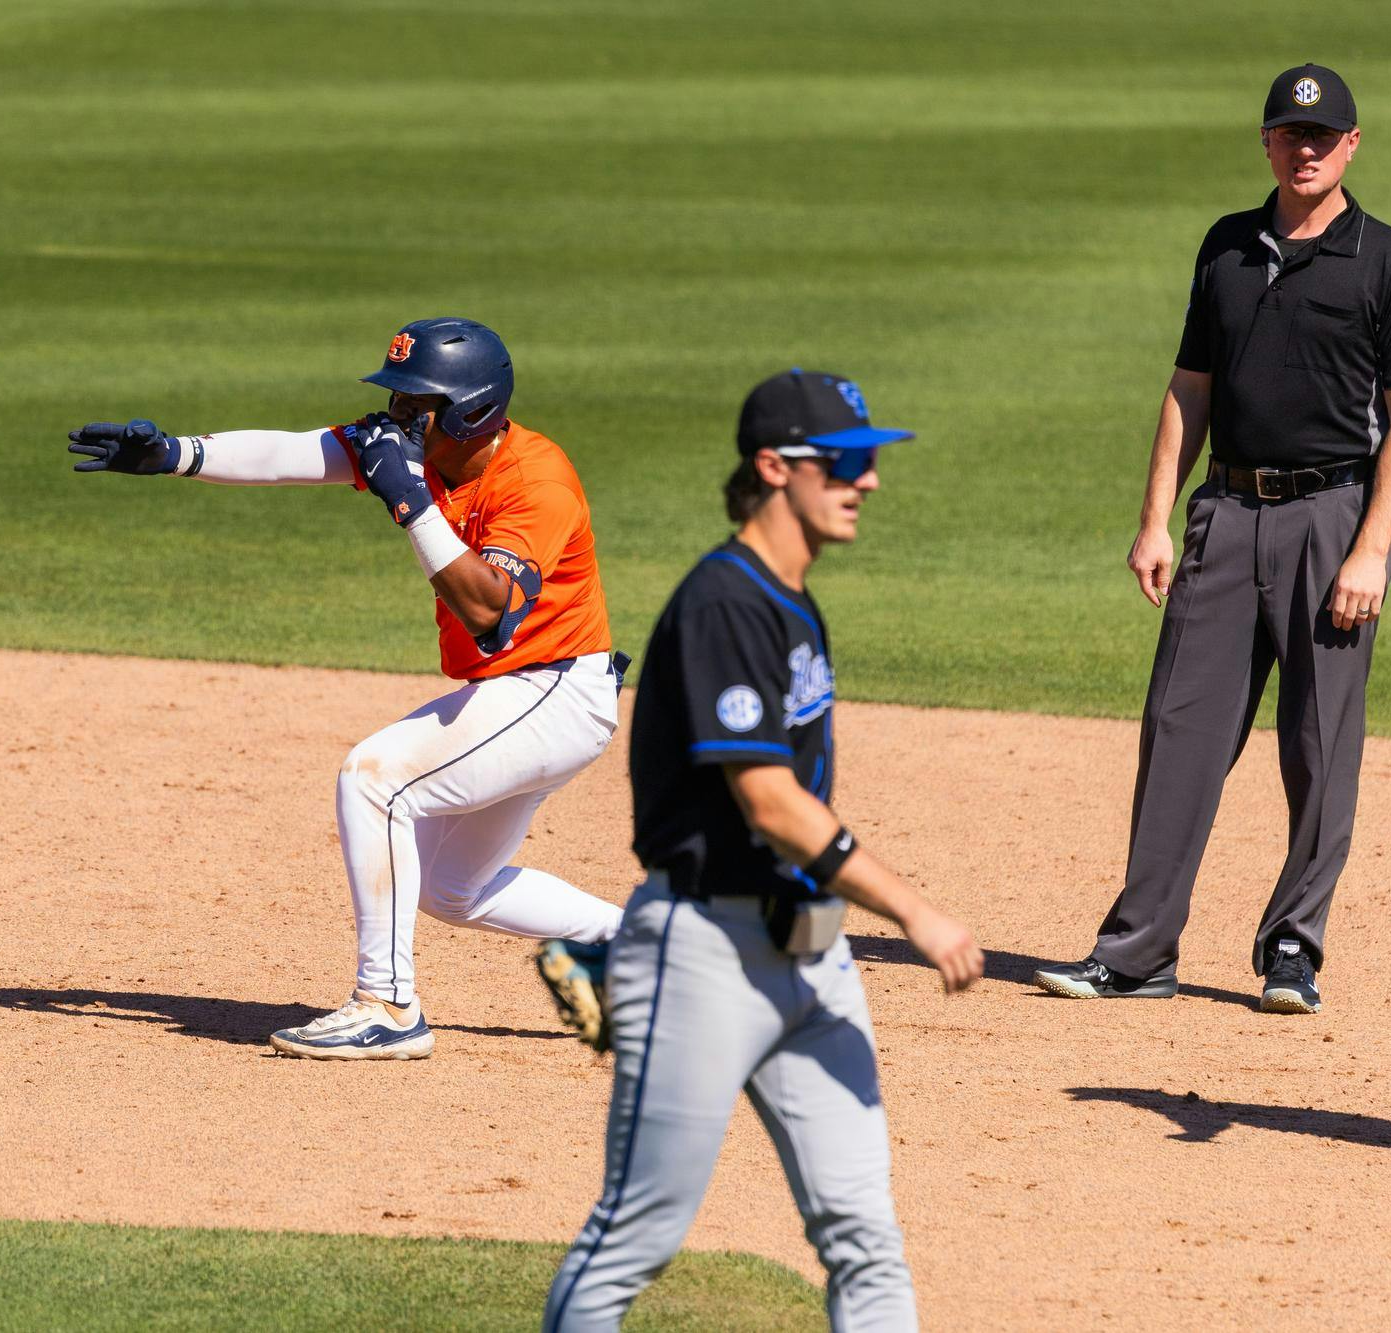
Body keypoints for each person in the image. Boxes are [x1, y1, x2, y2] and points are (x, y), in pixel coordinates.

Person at [537, 369, 983, 1332]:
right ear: (774, 467)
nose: (868, 482)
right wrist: (913, 910)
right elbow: (771, 802)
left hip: (816, 961)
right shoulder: (723, 604)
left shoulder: (790, 599)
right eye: (847, 463)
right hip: (706, 955)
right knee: (635, 1238)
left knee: (866, 1231)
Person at [65, 318, 628, 1059]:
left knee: (376, 779)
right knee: (454, 886)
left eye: (415, 404)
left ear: (471, 410)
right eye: (395, 400)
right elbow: (291, 453)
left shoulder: (536, 481)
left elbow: (489, 609)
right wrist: (177, 453)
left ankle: (388, 1005)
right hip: (516, 691)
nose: (397, 418)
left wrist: (409, 501)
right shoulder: (417, 451)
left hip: (557, 692)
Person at [1035, 64, 1391, 1014]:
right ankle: (1137, 952)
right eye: (1288, 134)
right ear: (1266, 141)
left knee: (1318, 740)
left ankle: (1292, 947)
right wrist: (1155, 519)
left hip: (1332, 517)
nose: (1304, 149)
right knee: (1178, 729)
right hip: (1226, 513)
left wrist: (1372, 545)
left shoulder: (1389, 261)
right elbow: (1190, 389)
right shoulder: (1226, 246)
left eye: (1322, 136)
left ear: (1350, 145)